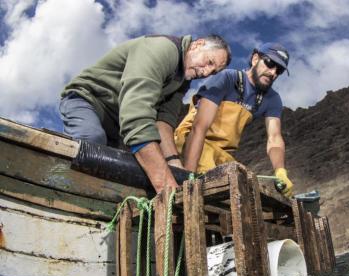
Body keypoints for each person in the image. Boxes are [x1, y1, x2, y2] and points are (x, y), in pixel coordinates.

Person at [59, 34, 231, 193]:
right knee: (92, 142)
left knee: (111, 173)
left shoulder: (182, 82)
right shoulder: (161, 49)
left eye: (213, 72)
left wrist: (174, 163)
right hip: (88, 100)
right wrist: (168, 189)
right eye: (209, 62)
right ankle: (60, 189)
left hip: (116, 124)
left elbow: (163, 123)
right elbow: (136, 118)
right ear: (197, 45)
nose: (206, 73)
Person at [175, 42, 294, 197]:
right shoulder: (228, 78)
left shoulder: (272, 99)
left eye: (280, 70)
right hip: (192, 141)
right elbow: (199, 127)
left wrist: (280, 171)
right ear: (255, 58)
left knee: (244, 185)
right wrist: (188, 177)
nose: (273, 72)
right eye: (270, 63)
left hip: (221, 153)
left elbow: (274, 137)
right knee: (212, 183)